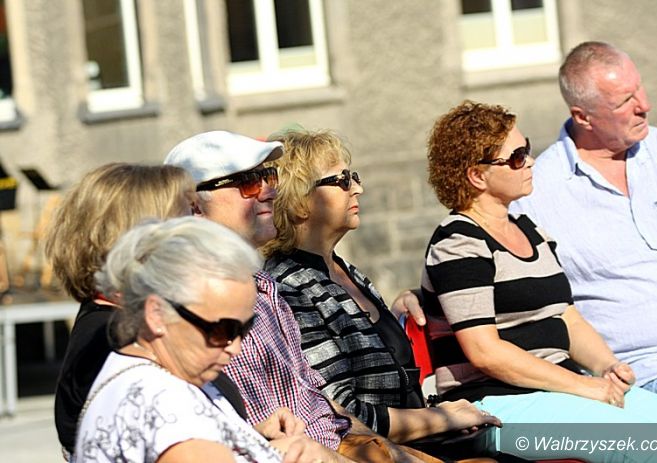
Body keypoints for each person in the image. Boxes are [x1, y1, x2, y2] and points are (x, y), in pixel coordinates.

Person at [421, 100, 657, 462]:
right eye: (516, 157)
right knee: (656, 448)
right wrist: (584, 385)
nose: (531, 162)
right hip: (496, 405)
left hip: (559, 389)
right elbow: (485, 353)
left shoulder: (530, 231)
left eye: (527, 149)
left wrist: (607, 367)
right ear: (477, 176)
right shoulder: (458, 243)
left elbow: (567, 316)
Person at [165, 131, 439, 463]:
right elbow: (279, 443)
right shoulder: (201, 303)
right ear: (195, 206)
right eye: (249, 183)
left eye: (268, 177)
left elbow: (323, 409)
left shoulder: (265, 287)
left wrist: (396, 454)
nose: (269, 191)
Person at [261, 128, 501, 458]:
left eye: (354, 177)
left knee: (553, 439)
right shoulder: (290, 288)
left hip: (427, 441)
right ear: (299, 201)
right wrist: (441, 418)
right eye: (342, 180)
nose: (357, 188)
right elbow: (339, 414)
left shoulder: (345, 271)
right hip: (389, 452)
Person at [509, 41, 657, 412]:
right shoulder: (539, 191)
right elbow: (483, 257)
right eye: (625, 100)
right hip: (651, 368)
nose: (644, 105)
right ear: (583, 117)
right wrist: (422, 296)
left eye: (639, 88)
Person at [75, 217, 289, 462]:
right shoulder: (170, 408)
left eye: (245, 328)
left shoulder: (134, 369)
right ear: (156, 314)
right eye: (223, 329)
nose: (236, 347)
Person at [46, 163, 197, 456]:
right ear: (135, 240)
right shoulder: (113, 339)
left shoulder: (118, 322)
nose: (199, 234)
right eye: (185, 221)